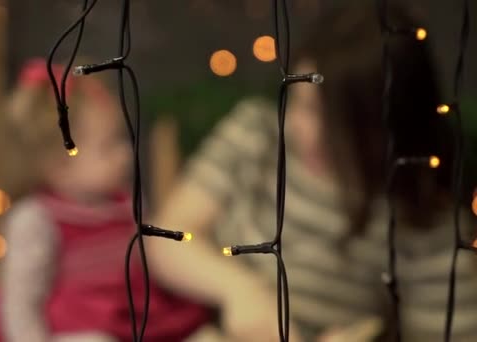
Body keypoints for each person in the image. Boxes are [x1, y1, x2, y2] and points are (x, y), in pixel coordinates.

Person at [146, 4, 477, 342]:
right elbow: (169, 237)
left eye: (334, 122)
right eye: (303, 105)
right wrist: (240, 291)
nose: (308, 132)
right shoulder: (259, 136)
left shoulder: (423, 224)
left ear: (384, 127)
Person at [0, 58, 210, 342]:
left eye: (121, 140)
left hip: (129, 315)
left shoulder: (124, 201)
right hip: (70, 329)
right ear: (57, 163)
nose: (125, 155)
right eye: (108, 147)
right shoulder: (36, 218)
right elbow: (21, 303)